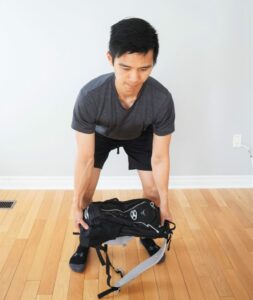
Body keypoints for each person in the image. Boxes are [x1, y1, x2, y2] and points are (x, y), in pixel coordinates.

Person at [69, 17, 175, 272]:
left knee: (152, 193)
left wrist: (165, 201)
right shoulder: (90, 96)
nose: (134, 77)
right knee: (85, 194)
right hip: (101, 134)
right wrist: (74, 203)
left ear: (153, 64)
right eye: (125, 67)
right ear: (110, 59)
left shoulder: (161, 99)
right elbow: (85, 158)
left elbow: (160, 157)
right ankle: (85, 240)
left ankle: (146, 232)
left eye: (144, 68)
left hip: (139, 134)